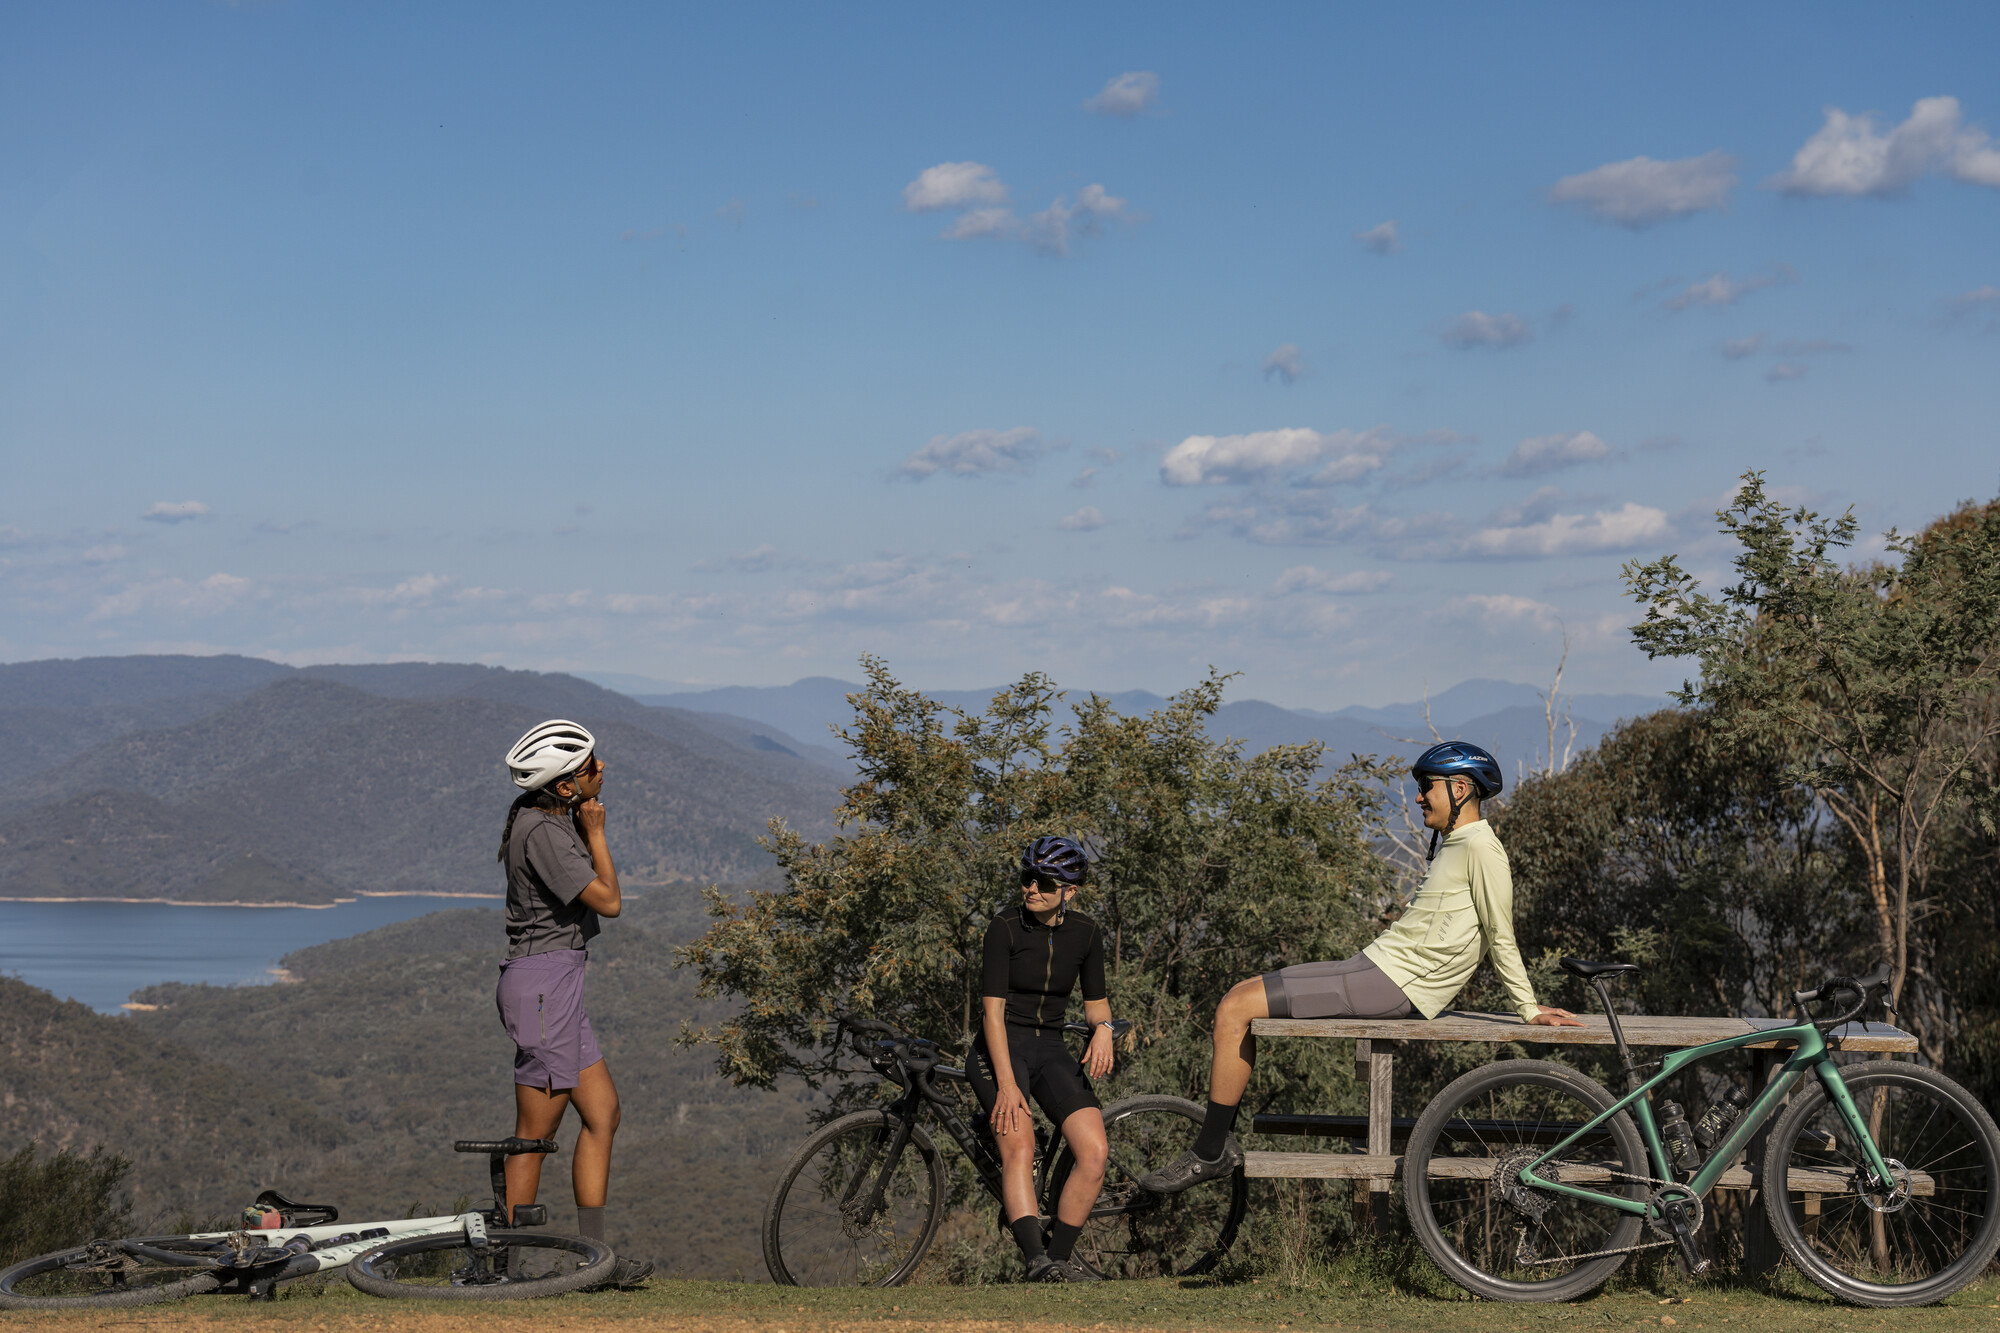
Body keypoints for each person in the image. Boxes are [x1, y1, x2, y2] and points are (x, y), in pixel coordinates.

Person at [1139, 741, 1583, 1195]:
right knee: (1238, 995)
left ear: (1461, 788)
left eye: (1427, 787)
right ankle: (1217, 1145)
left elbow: (1499, 930)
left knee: (1236, 1009)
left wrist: (1527, 1008)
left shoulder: (1482, 849)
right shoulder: (1459, 843)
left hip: (1392, 984)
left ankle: (1210, 1152)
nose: (1418, 797)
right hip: (1373, 969)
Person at [494, 718, 650, 1289]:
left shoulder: (547, 821)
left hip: (556, 984)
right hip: (543, 990)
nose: (601, 769)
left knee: (602, 1113)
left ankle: (596, 1261)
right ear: (564, 787)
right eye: (590, 767)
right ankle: (507, 1267)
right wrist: (598, 830)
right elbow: (608, 902)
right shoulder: (546, 832)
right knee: (534, 1135)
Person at [966, 836, 1119, 1283]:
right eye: (1025, 878)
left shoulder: (1086, 932)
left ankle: (1059, 1261)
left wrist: (1104, 1029)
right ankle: (1035, 1262)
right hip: (998, 1048)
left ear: (1069, 891)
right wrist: (1008, 1083)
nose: (1031, 888)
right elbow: (991, 1012)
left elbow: (1096, 1003)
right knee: (1021, 1145)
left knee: (1094, 1152)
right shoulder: (1004, 927)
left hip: (1050, 1048)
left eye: (1044, 882)